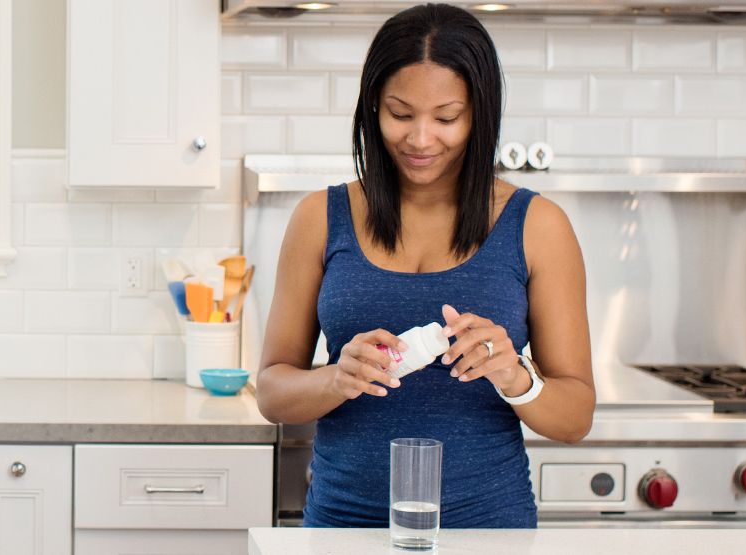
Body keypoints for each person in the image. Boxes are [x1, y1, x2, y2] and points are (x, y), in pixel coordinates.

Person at [255, 3, 595, 529]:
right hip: (343, 529)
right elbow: (274, 393)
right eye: (400, 113)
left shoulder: (538, 226)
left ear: (480, 113)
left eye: (446, 118)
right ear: (373, 107)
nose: (419, 139)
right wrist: (335, 379)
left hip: (488, 531)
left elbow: (575, 418)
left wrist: (514, 374)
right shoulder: (320, 218)